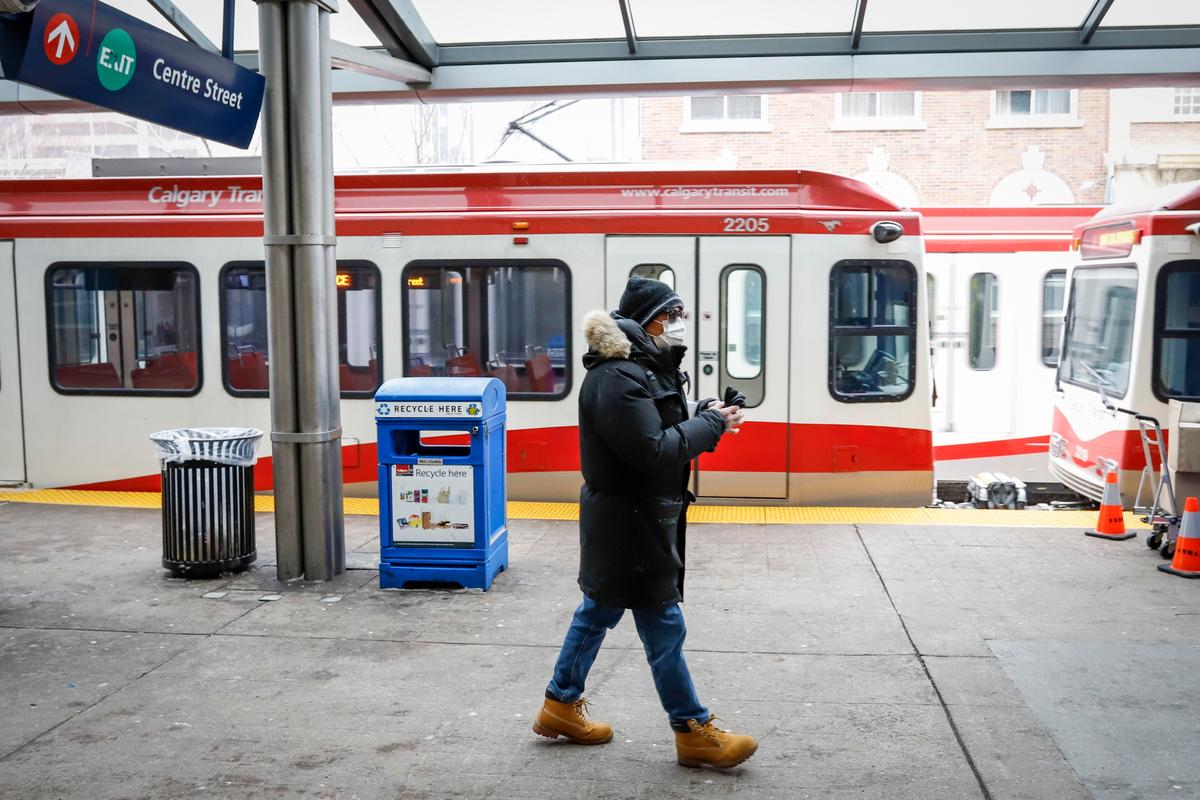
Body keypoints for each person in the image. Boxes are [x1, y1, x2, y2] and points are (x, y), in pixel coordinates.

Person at [532, 276, 758, 770]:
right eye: (671, 317)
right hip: (632, 525)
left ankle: (559, 704)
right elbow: (652, 451)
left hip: (631, 519)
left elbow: (655, 425)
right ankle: (692, 729)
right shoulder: (617, 377)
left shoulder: (641, 371)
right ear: (649, 320)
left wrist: (704, 413)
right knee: (663, 623)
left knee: (597, 612)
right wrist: (712, 426)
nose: (677, 326)